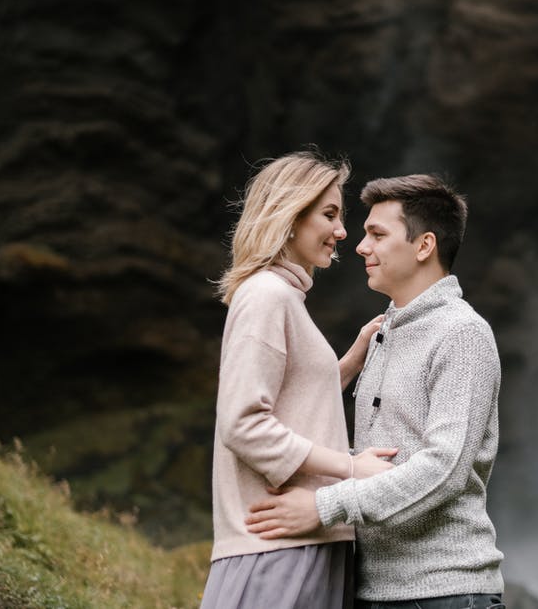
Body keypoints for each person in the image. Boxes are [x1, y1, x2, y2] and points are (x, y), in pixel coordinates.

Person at [245, 174, 507, 609]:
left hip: (447, 593)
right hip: (374, 591)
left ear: (424, 246)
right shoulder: (385, 331)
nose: (361, 247)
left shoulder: (462, 333)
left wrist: (323, 507)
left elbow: (444, 468)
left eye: (377, 235)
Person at [201, 152, 399, 609]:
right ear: (289, 215)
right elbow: (243, 424)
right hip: (275, 549)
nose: (343, 232)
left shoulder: (285, 297)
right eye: (329, 214)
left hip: (303, 541)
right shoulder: (266, 295)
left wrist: (351, 358)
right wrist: (352, 469)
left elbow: (297, 398)